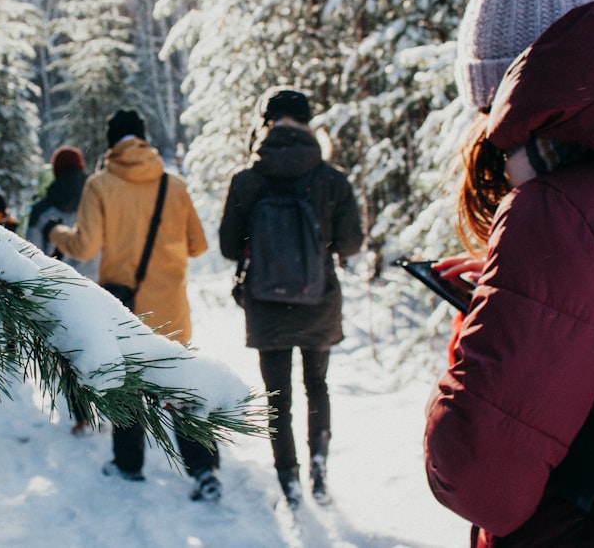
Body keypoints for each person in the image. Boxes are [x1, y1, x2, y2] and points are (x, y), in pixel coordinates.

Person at [423, 0, 594, 546]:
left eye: (490, 114)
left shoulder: (557, 215)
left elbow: (478, 473)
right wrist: (511, 288)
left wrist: (480, 327)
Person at [47, 109, 221, 501]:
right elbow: (198, 245)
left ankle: (129, 465)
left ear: (112, 142)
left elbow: (85, 246)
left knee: (127, 386)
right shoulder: (173, 185)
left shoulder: (100, 184)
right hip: (173, 308)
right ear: (143, 139)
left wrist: (56, 232)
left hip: (126, 310)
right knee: (179, 388)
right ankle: (204, 470)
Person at [218, 88, 363, 508]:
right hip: (318, 298)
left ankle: (289, 481)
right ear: (308, 122)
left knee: (277, 397)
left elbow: (229, 246)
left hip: (265, 305)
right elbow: (351, 243)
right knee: (317, 385)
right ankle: (319, 467)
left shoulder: (247, 179)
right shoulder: (331, 178)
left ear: (266, 123)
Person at [26, 145, 99, 435]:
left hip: (61, 293)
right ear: (81, 168)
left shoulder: (42, 209)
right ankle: (108, 404)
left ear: (56, 171)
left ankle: (81, 413)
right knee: (102, 348)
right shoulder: (98, 200)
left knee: (70, 354)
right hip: (100, 288)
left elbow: (31, 254)